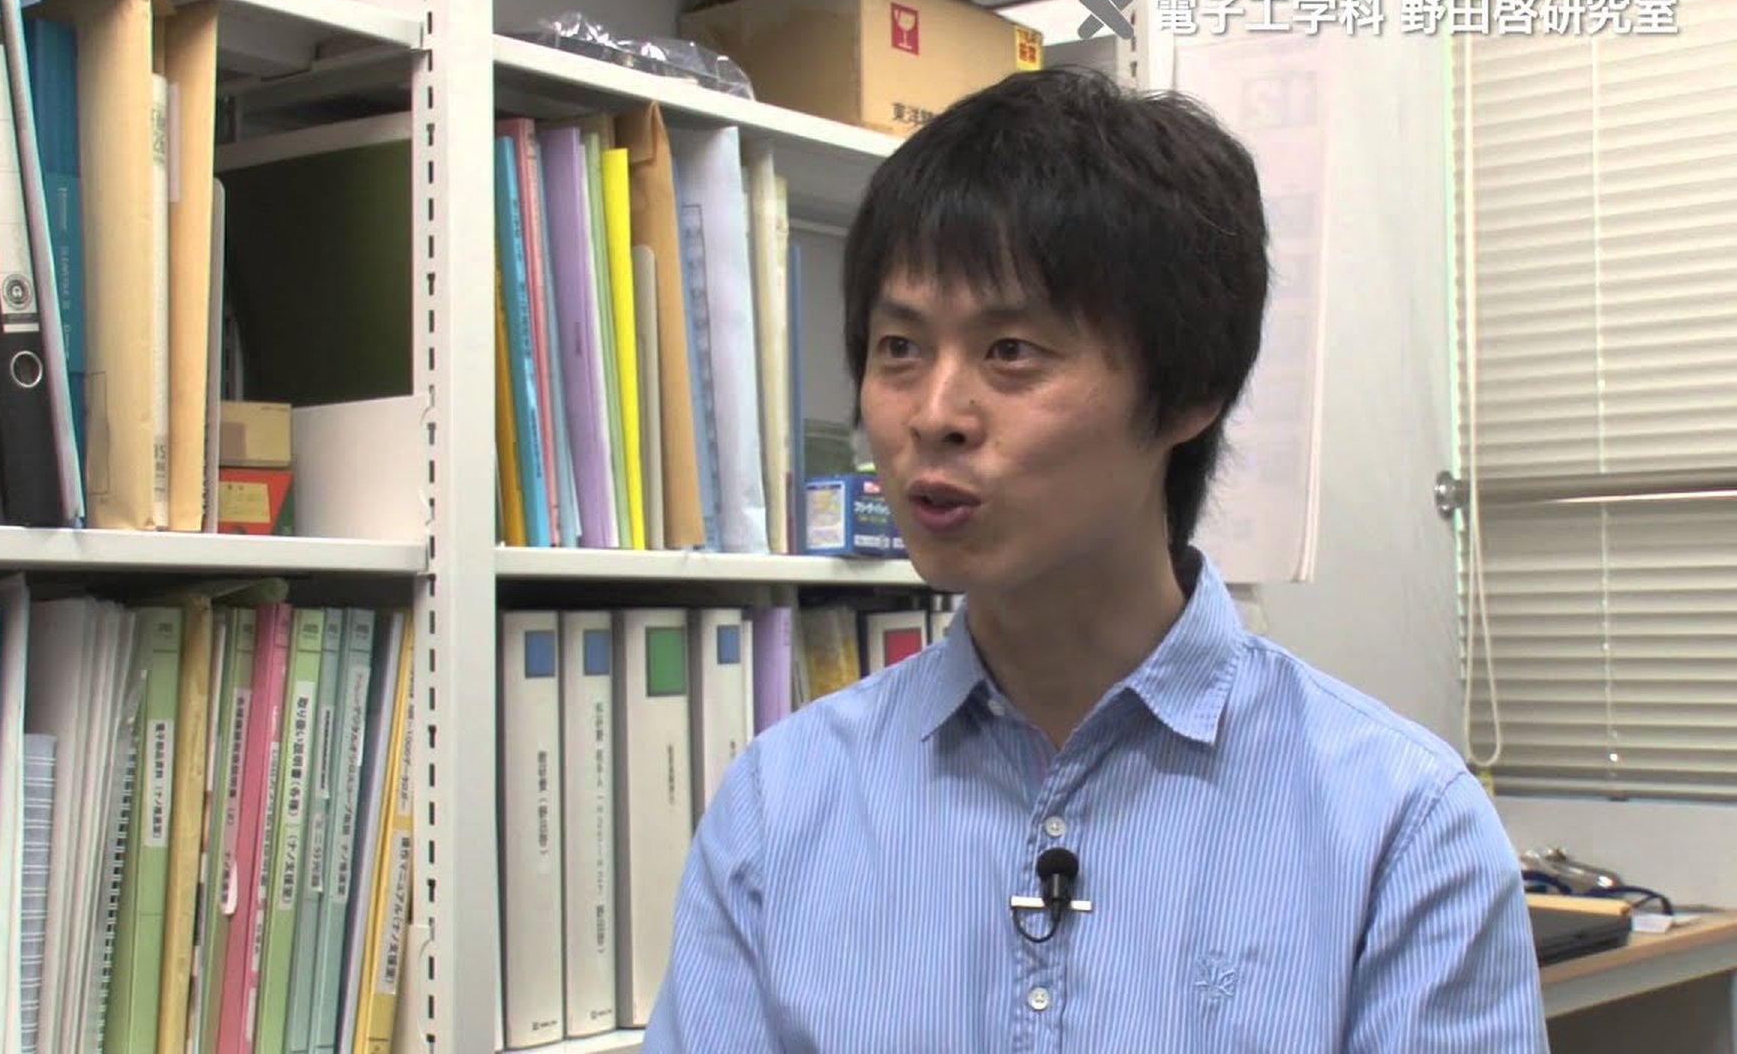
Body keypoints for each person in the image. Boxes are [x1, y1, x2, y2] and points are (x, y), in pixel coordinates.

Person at [642, 65, 1547, 1052]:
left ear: (1188, 391)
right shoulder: (782, 803)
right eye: (899, 347)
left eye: (1012, 351)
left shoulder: (1398, 826)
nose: (934, 415)